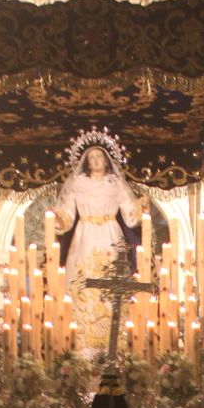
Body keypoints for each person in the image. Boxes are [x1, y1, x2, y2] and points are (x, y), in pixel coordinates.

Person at [54, 135, 144, 357]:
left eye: (99, 157)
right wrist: (57, 219)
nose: (95, 160)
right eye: (91, 157)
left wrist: (140, 208)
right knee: (83, 284)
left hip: (110, 234)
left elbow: (130, 217)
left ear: (106, 160)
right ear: (86, 161)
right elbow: (67, 214)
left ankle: (114, 342)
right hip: (84, 235)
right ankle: (83, 342)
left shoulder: (116, 184)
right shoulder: (78, 183)